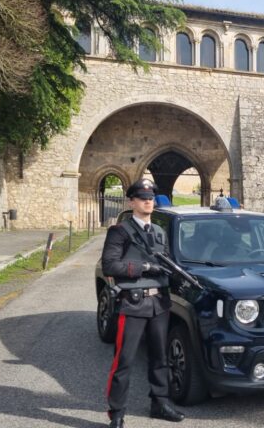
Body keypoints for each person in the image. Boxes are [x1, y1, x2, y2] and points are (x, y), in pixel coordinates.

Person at [101, 179, 185, 428]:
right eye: (141, 197)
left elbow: (168, 264)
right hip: (133, 303)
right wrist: (145, 266)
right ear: (132, 202)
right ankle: (116, 413)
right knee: (124, 361)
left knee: (159, 357)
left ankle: (160, 403)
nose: (147, 201)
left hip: (159, 302)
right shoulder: (120, 232)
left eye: (150, 198)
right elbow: (110, 265)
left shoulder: (159, 232)